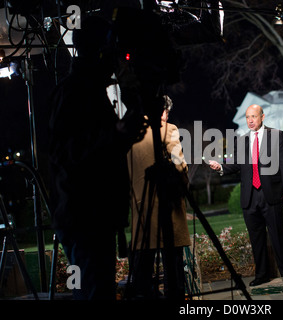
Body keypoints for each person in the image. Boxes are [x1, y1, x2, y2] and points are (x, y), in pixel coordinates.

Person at [48, 16, 147, 300]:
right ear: (100, 54)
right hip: (84, 219)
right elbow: (70, 154)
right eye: (113, 55)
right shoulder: (73, 92)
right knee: (92, 293)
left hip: (95, 217)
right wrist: (117, 134)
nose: (118, 63)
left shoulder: (89, 91)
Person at [209, 104, 283, 286]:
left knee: (278, 236)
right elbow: (236, 165)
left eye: (253, 116)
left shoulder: (276, 135)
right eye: (247, 117)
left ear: (262, 117)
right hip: (250, 198)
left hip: (272, 195)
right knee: (257, 240)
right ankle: (262, 275)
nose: (250, 120)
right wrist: (221, 167)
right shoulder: (241, 141)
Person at [127, 95, 191, 299]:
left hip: (139, 208)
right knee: (174, 272)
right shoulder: (168, 129)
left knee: (142, 276)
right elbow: (179, 164)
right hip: (167, 208)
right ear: (163, 111)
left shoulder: (131, 133)